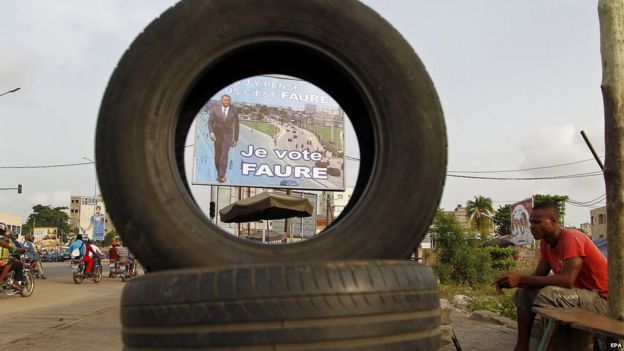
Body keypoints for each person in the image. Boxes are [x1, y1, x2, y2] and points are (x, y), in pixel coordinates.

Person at [493, 201, 608, 351]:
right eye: (531, 222)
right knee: (524, 293)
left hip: (600, 299)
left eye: (537, 222)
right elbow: (537, 277)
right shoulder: (546, 243)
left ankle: (550, 346)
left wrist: (521, 279)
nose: (532, 226)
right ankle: (521, 347)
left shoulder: (572, 238)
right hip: (577, 295)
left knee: (549, 294)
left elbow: (567, 281)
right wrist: (512, 281)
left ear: (553, 221)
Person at [207, 94, 239, 183]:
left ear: (230, 101)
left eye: (228, 100)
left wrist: (235, 139)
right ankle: (219, 172)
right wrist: (211, 132)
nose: (226, 101)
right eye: (225, 100)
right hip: (217, 135)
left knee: (224, 155)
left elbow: (236, 126)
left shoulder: (234, 111)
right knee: (217, 156)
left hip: (228, 136)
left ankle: (222, 175)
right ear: (221, 101)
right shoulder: (214, 109)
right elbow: (210, 122)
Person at [0, 225, 27, 290]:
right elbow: (14, 249)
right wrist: (22, 249)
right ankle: (14, 283)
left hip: (3, 261)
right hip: (2, 261)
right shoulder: (5, 240)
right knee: (18, 263)